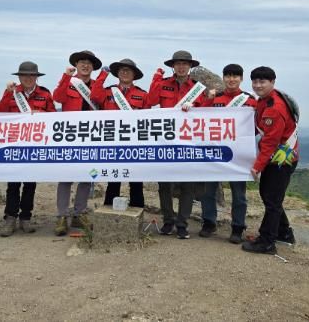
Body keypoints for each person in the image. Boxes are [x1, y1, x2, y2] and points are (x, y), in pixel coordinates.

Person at [146, 50, 206, 239]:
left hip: (189, 142)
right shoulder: (163, 84)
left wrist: (195, 108)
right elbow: (150, 101)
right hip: (166, 141)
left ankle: (182, 224)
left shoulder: (197, 88)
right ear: (173, 66)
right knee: (165, 185)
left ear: (190, 67)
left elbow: (205, 112)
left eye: (185, 64)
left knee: (188, 186)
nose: (181, 67)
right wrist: (156, 79)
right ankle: (168, 221)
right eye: (178, 64)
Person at [242, 66, 299, 255]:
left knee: (272, 200)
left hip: (281, 159)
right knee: (270, 196)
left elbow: (270, 142)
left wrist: (257, 167)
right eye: (255, 81)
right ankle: (284, 233)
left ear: (272, 82)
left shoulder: (274, 108)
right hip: (280, 157)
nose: (258, 85)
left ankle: (267, 242)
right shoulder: (266, 100)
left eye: (262, 82)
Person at [0, 61, 56, 236]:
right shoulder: (11, 93)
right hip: (14, 145)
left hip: (35, 146)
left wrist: (42, 115)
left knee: (30, 184)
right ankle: (10, 218)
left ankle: (26, 217)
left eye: (31, 75)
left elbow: (54, 117)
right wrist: (8, 93)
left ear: (36, 77)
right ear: (19, 77)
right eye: (24, 75)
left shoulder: (45, 94)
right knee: (13, 184)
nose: (28, 78)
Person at [199, 63, 257, 243]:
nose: (231, 79)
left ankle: (238, 227)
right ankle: (209, 222)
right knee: (208, 192)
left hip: (238, 154)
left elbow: (255, 127)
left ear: (241, 78)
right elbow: (200, 118)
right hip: (214, 151)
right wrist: (208, 100)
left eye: (235, 76)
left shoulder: (249, 100)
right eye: (228, 76)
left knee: (238, 194)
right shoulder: (215, 98)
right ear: (223, 78)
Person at [52, 50, 103, 236]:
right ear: (76, 65)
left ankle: (79, 213)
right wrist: (66, 77)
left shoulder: (97, 85)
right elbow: (58, 98)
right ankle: (62, 216)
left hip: (92, 137)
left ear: (93, 67)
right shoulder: (69, 82)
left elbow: (101, 102)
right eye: (82, 62)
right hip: (70, 136)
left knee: (87, 176)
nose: (85, 65)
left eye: (89, 63)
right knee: (65, 177)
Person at [90, 58, 148, 208]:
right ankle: (108, 210)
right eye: (122, 70)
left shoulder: (142, 94)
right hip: (113, 142)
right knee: (113, 178)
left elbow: (148, 118)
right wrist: (103, 74)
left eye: (128, 70)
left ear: (134, 75)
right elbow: (94, 96)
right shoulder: (108, 91)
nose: (125, 72)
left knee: (136, 180)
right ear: (117, 73)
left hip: (134, 143)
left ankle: (137, 211)